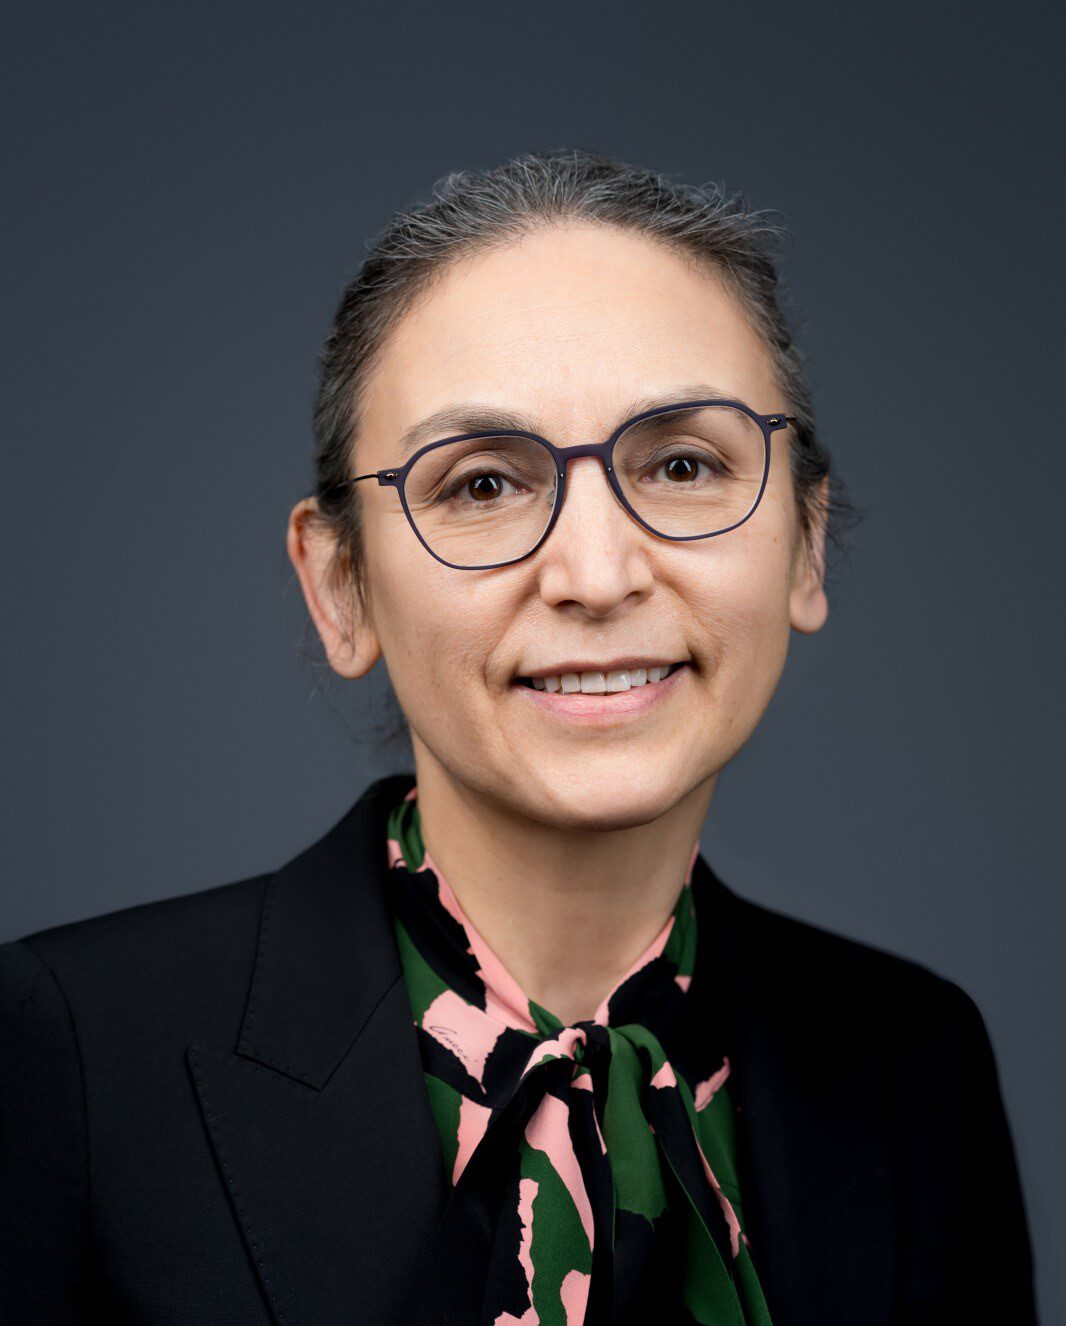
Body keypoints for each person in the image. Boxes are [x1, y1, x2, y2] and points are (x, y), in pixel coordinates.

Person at [0, 150, 1037, 1325]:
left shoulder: (913, 1062)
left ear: (804, 542)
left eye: (685, 464)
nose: (596, 576)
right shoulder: (74, 1051)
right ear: (339, 585)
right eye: (483, 485)